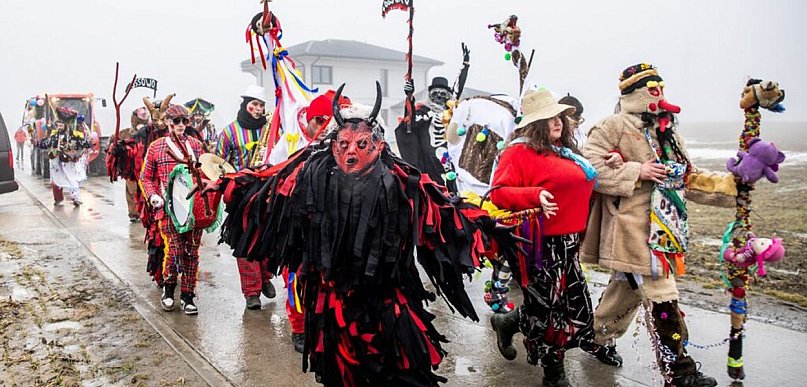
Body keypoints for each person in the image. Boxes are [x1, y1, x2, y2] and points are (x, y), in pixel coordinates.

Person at [216, 82, 523, 386]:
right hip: (333, 304)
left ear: (377, 145)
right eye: (344, 144)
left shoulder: (400, 181)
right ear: (333, 144)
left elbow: (444, 212)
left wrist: (487, 227)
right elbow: (266, 190)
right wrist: (224, 185)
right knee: (343, 374)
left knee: (397, 372)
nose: (351, 152)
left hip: (388, 301)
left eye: (361, 144)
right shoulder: (312, 175)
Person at [579, 63, 717, 387]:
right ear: (634, 94)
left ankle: (592, 337)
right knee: (662, 293)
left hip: (665, 229)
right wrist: (635, 171)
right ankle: (679, 372)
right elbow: (589, 168)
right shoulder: (613, 125)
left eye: (661, 87)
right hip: (632, 230)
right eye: (652, 88)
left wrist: (734, 189)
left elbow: (688, 178)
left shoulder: (669, 133)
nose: (659, 94)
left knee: (624, 293)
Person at [488, 89, 597, 387]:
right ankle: (554, 376)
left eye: (558, 115)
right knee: (550, 315)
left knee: (575, 311)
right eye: (548, 118)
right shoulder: (518, 151)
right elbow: (497, 193)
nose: (557, 122)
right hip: (538, 243)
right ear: (534, 123)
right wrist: (534, 195)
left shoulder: (564, 151)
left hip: (569, 242)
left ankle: (508, 322)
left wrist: (607, 166)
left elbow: (582, 182)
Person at [140, 104, 206, 315]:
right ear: (168, 123)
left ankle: (188, 295)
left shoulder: (196, 145)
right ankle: (169, 290)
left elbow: (206, 172)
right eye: (176, 121)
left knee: (192, 252)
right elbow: (146, 177)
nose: (180, 125)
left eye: (184, 121)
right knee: (175, 249)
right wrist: (153, 196)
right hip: (168, 208)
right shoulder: (157, 147)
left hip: (192, 207)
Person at [215, 85, 276, 310]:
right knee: (245, 242)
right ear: (245, 104)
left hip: (268, 190)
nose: (258, 109)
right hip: (241, 194)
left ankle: (265, 278)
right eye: (254, 104)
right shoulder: (229, 132)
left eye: (261, 105)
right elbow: (218, 162)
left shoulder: (272, 130)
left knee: (269, 238)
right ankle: (251, 292)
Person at [395, 44, 470, 192]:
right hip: (429, 162)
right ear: (430, 95)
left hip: (450, 162)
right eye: (436, 94)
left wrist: (465, 65)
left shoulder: (451, 112)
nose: (440, 97)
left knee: (453, 190)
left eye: (443, 94)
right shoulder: (423, 112)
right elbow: (409, 122)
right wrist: (409, 97)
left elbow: (457, 89)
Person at [48, 107, 90, 206]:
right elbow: (48, 143)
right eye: (58, 125)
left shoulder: (76, 134)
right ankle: (58, 198)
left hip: (68, 160)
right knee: (56, 179)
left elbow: (85, 144)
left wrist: (81, 147)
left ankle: (75, 197)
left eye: (61, 124)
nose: (59, 126)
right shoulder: (54, 135)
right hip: (56, 160)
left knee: (71, 178)